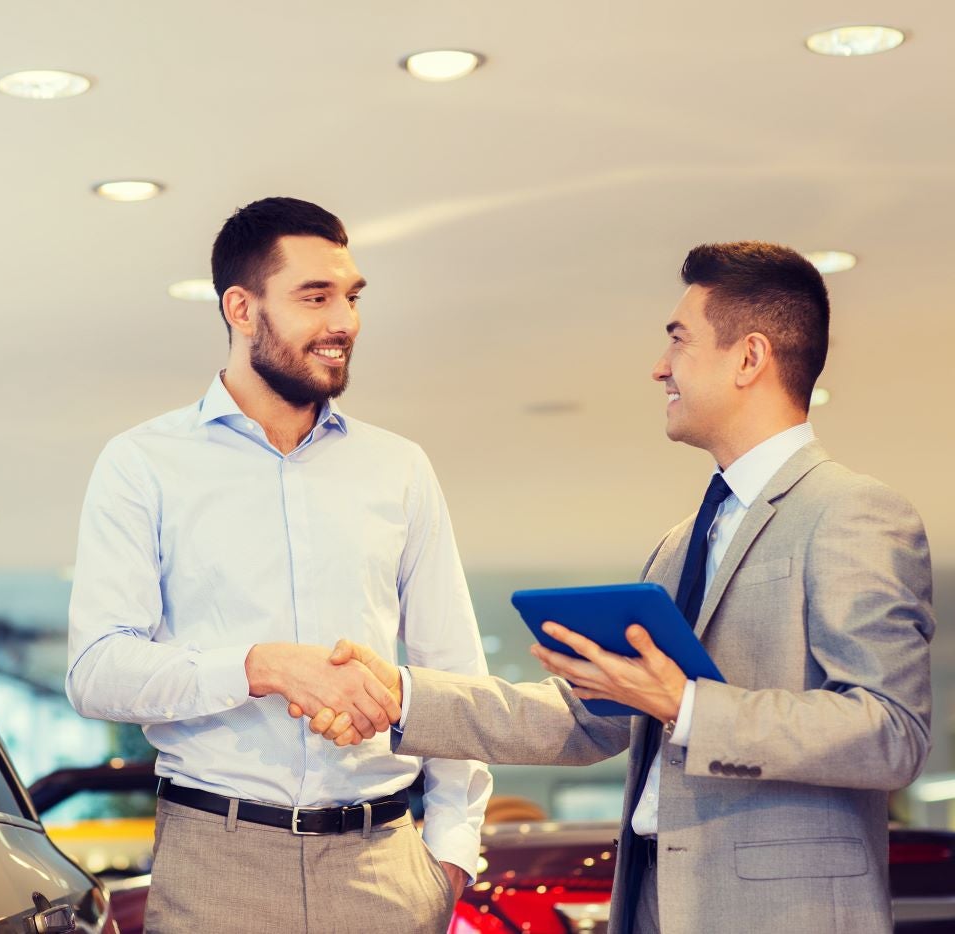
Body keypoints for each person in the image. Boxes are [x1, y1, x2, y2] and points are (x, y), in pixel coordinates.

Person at [306, 242, 934, 934]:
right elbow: (586, 718)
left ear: (749, 358)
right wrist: (401, 696)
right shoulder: (679, 545)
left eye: (679, 340)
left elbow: (892, 732)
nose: (660, 367)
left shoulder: (852, 512)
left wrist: (685, 705)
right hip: (653, 902)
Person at [67, 197, 490, 932]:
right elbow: (97, 670)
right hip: (216, 868)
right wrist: (260, 666)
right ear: (241, 308)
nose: (344, 322)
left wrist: (450, 855)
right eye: (315, 297)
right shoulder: (142, 464)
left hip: (384, 868)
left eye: (352, 297)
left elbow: (452, 670)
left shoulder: (399, 469)